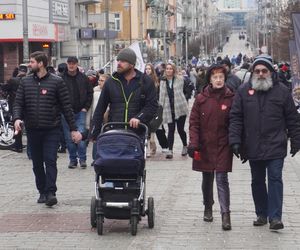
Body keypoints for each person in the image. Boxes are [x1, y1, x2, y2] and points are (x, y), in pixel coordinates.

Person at [229, 54, 300, 230]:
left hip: (276, 143)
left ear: (270, 72)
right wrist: (235, 140)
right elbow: (236, 117)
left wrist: (296, 140)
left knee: (275, 178)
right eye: (257, 71)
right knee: (257, 180)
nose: (260, 74)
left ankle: (275, 217)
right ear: (253, 72)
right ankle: (261, 213)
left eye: (264, 71)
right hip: (253, 144)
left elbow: (292, 118)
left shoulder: (282, 91)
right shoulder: (244, 91)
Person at [13, 51, 81, 206]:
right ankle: (42, 191)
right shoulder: (25, 82)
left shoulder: (57, 82)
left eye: (31, 62)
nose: (29, 65)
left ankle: (51, 192)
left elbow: (66, 107)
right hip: (32, 129)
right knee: (37, 163)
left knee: (50, 160)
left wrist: (73, 129)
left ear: (41, 63)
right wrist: (17, 118)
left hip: (51, 128)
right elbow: (18, 103)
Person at [188, 64, 234, 231]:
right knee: (207, 178)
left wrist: (236, 142)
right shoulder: (201, 99)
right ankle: (208, 206)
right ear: (210, 80)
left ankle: (225, 214)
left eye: (221, 77)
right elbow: (194, 123)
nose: (218, 80)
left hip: (223, 144)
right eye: (215, 77)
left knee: (222, 178)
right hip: (205, 145)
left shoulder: (231, 97)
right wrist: (193, 143)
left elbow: (235, 121)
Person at [90, 48, 157, 142]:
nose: (119, 63)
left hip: (136, 133)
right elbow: (100, 108)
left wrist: (139, 118)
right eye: (118, 60)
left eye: (123, 61)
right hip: (114, 132)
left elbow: (152, 106)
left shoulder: (145, 81)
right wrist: (94, 132)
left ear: (132, 64)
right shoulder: (111, 82)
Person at [61, 56, 93, 169]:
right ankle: (73, 160)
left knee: (81, 136)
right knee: (69, 138)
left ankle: (82, 159)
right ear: (67, 64)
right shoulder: (61, 78)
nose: (71, 65)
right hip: (66, 112)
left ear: (77, 64)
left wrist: (86, 107)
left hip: (80, 111)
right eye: (69, 63)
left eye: (73, 63)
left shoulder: (84, 78)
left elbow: (90, 93)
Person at [159, 63, 189, 159]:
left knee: (180, 130)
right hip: (169, 109)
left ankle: (185, 145)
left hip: (180, 108)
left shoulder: (180, 79)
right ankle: (170, 150)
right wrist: (160, 108)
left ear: (174, 70)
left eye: (170, 69)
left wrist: (186, 97)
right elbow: (161, 96)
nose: (168, 70)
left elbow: (186, 90)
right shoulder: (162, 81)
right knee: (171, 130)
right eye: (167, 69)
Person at [87, 73, 110, 163]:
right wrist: (88, 122)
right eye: (99, 80)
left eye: (102, 80)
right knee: (96, 137)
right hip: (96, 118)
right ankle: (95, 157)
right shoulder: (95, 91)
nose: (99, 82)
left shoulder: (110, 91)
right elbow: (91, 107)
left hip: (107, 119)